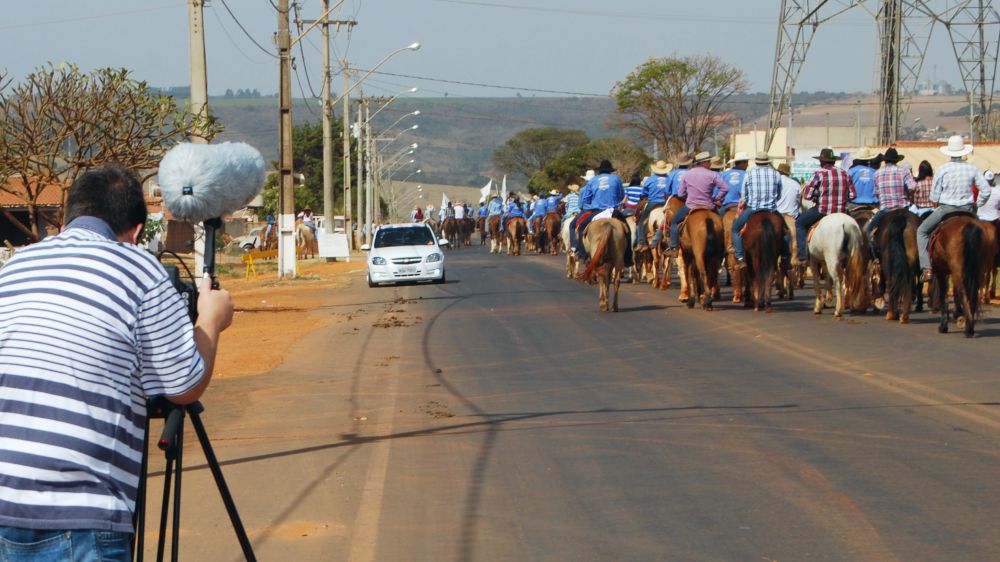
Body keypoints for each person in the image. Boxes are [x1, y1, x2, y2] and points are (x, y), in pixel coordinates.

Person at [0, 165, 233, 557]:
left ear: (68, 216)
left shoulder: (16, 267)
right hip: (81, 518)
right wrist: (210, 318)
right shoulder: (139, 269)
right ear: (137, 232)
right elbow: (184, 386)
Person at [917, 135, 991, 282]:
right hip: (968, 210)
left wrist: (936, 202)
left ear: (949, 152)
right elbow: (986, 190)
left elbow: (934, 197)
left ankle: (927, 269)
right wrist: (977, 204)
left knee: (921, 231)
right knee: (985, 235)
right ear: (963, 151)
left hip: (946, 209)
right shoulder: (973, 168)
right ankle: (983, 267)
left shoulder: (943, 169)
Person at [795, 148, 856, 263]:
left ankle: (803, 256)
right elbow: (853, 195)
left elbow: (807, 195)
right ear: (834, 161)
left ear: (821, 162)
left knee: (799, 223)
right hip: (842, 211)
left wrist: (817, 196)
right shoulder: (845, 174)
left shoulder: (819, 174)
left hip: (822, 210)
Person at [667, 152, 729, 255]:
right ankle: (723, 249)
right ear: (704, 162)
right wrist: (716, 199)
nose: (710, 164)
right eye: (709, 162)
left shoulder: (687, 174)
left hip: (691, 206)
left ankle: (674, 247)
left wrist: (689, 197)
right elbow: (725, 189)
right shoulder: (712, 174)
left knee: (674, 222)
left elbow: (681, 193)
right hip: (709, 206)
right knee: (721, 224)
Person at [731, 152, 783, 266]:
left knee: (735, 229)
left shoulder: (749, 174)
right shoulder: (776, 174)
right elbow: (779, 194)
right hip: (772, 209)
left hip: (753, 209)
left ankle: (740, 257)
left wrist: (750, 202)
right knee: (786, 231)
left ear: (756, 162)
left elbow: (744, 196)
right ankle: (785, 256)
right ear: (767, 162)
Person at [865, 147, 917, 253]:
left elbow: (876, 193)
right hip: (904, 208)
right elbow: (913, 188)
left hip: (885, 210)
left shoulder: (877, 173)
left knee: (867, 231)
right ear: (897, 160)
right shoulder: (904, 171)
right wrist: (908, 195)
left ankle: (874, 256)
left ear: (885, 160)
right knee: (920, 230)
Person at [572, 160, 625, 259]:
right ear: (610, 170)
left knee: (580, 228)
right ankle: (627, 257)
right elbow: (621, 195)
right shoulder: (616, 179)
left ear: (599, 171)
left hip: (597, 211)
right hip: (613, 211)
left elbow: (586, 200)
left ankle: (582, 254)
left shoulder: (592, 181)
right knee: (627, 230)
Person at [636, 160, 672, 247]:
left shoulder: (650, 179)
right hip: (666, 203)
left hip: (653, 203)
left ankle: (641, 242)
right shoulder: (669, 178)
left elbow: (644, 193)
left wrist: (643, 196)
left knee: (641, 222)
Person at [775, 162, 802, 260]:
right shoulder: (795, 184)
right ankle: (803, 254)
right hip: (792, 216)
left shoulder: (775, 182)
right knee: (803, 229)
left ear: (778, 172)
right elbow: (799, 202)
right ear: (787, 173)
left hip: (776, 214)